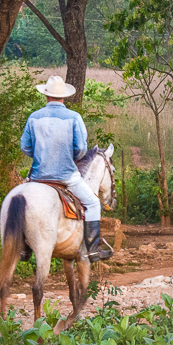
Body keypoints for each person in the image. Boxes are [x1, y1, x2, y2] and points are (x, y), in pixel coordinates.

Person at [20, 76, 112, 261]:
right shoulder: (74, 117)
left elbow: (25, 147)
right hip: (66, 177)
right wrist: (70, 158)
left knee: (21, 200)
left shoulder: (34, 117)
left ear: (46, 95)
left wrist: (41, 156)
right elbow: (81, 149)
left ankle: (23, 247)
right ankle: (93, 250)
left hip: (38, 177)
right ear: (64, 97)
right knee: (93, 204)